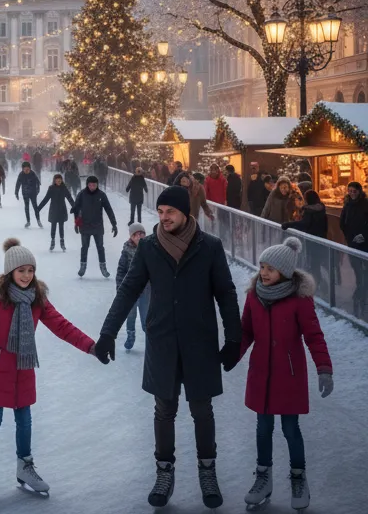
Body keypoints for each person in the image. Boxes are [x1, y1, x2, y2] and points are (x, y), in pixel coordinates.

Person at [94, 184, 242, 510]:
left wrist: (234, 339)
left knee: (202, 410)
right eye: (160, 213)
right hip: (162, 340)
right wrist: (108, 333)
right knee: (164, 409)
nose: (164, 218)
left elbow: (226, 294)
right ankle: (164, 473)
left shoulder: (209, 247)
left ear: (184, 212)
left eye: (169, 212)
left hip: (199, 340)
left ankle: (207, 471)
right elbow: (129, 290)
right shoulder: (148, 247)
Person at [0, 238, 96, 500]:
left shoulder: (37, 298)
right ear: (10, 271)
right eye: (21, 270)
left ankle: (25, 466)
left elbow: (62, 326)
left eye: (31, 270)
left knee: (25, 420)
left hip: (23, 368)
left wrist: (91, 346)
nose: (27, 275)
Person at [239, 236, 333, 511]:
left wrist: (324, 369)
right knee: (263, 428)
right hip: (261, 374)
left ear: (284, 271)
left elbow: (314, 336)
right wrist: (232, 355)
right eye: (261, 266)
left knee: (291, 429)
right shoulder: (253, 296)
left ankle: (298, 478)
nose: (263, 272)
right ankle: (263, 478)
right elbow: (245, 331)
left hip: (288, 376)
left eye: (269, 268)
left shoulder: (299, 300)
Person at [72, 175, 118, 278]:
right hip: (85, 225)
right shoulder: (81, 195)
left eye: (94, 185)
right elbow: (76, 210)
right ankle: (82, 266)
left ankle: (103, 267)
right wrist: (76, 223)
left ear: (97, 185)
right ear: (87, 185)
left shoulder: (101, 195)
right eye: (90, 185)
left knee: (100, 247)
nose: (92, 187)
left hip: (98, 226)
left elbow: (109, 210)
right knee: (84, 247)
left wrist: (114, 224)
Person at [116, 223, 149, 352]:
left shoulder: (150, 249)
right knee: (130, 315)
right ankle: (130, 335)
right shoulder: (126, 251)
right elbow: (121, 271)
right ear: (131, 237)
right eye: (136, 234)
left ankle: (150, 340)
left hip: (146, 290)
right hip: (131, 290)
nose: (140, 236)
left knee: (146, 316)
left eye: (142, 234)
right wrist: (120, 288)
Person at [339, 180, 368, 311]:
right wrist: (349, 237)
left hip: (365, 243)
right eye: (349, 191)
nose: (352, 194)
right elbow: (342, 223)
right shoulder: (347, 204)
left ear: (359, 191)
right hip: (352, 243)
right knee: (357, 271)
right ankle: (359, 293)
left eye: (354, 191)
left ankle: (361, 295)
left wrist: (364, 235)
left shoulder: (365, 204)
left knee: (366, 271)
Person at [37, 173, 73, 252]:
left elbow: (69, 198)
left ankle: (62, 241)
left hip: (62, 210)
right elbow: (46, 199)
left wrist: (75, 207)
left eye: (60, 180)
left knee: (61, 227)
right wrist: (38, 208)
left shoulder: (64, 188)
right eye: (57, 180)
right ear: (54, 181)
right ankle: (52, 241)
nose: (59, 181)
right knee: (53, 226)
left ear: (61, 180)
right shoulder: (51, 188)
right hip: (53, 210)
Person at [14, 161, 41, 228]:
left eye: (27, 169)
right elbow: (18, 184)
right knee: (26, 207)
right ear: (23, 169)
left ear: (30, 168)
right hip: (25, 193)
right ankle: (28, 221)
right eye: (25, 169)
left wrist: (37, 191)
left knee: (35, 207)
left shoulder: (32, 174)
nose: (26, 170)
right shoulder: (21, 174)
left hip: (33, 193)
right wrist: (16, 192)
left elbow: (38, 183)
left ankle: (38, 220)